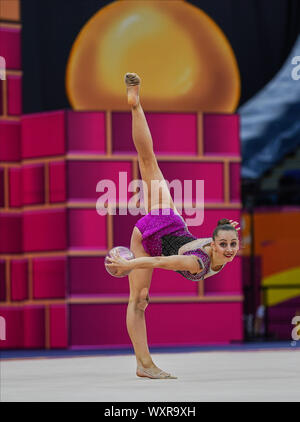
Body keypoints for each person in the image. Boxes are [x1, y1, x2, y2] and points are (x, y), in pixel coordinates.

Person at [105, 73, 240, 379]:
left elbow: (220, 233)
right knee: (139, 300)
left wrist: (227, 229)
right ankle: (144, 364)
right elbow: (159, 260)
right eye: (225, 245)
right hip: (154, 231)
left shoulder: (219, 247)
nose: (230, 250)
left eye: (233, 245)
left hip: (169, 221)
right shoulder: (196, 261)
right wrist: (128, 264)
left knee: (147, 160)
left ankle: (135, 103)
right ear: (213, 245)